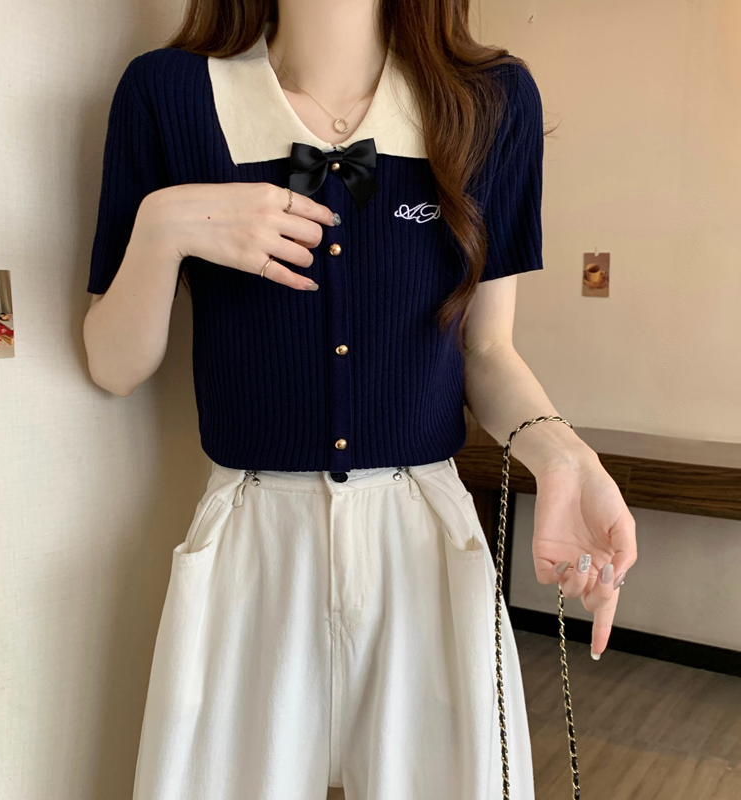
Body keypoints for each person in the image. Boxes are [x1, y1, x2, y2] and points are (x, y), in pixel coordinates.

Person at [82, 1, 638, 798]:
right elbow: (113, 365)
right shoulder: (168, 93)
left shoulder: (490, 101)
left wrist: (565, 458)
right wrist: (163, 225)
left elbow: (486, 351)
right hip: (254, 542)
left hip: (423, 541)